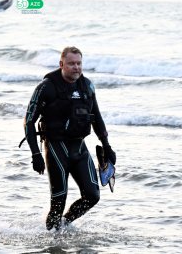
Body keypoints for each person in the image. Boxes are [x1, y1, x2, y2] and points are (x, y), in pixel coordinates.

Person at [23, 46, 116, 230]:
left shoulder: (87, 86)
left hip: (79, 148)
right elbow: (28, 121)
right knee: (58, 202)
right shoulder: (46, 87)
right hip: (56, 148)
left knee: (93, 195)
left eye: (79, 63)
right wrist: (35, 154)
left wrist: (107, 146)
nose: (76, 67)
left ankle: (63, 226)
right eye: (71, 63)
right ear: (61, 64)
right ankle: (52, 241)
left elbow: (96, 117)